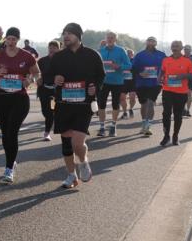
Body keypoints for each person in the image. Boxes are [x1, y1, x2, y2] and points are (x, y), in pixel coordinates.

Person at [0, 27, 40, 183]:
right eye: (9, 39)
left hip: (20, 99)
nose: (11, 42)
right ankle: (11, 160)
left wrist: (30, 80)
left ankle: (8, 169)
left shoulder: (26, 56)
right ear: (5, 39)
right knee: (5, 133)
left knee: (12, 132)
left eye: (14, 39)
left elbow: (37, 73)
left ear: (18, 40)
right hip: (2, 99)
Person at [50, 22, 105, 189]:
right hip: (63, 104)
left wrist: (96, 87)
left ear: (79, 36)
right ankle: (71, 176)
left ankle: (83, 161)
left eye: (70, 33)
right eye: (64, 33)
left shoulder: (92, 55)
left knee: (77, 142)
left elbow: (101, 76)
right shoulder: (59, 57)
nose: (66, 36)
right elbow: (49, 75)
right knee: (67, 143)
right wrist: (55, 78)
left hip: (84, 104)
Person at [159, 40, 192, 147]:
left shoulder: (187, 61)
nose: (174, 48)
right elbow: (162, 71)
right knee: (166, 113)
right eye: (173, 46)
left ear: (181, 48)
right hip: (167, 90)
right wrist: (159, 77)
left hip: (181, 92)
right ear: (171, 48)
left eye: (177, 46)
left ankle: (175, 136)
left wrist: (183, 76)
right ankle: (166, 136)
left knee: (178, 115)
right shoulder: (166, 60)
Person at [97, 32, 130, 137]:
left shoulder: (121, 50)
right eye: (108, 38)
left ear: (115, 39)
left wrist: (119, 66)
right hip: (103, 82)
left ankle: (113, 126)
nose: (110, 39)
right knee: (101, 104)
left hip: (117, 82)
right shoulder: (101, 51)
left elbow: (129, 65)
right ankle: (102, 127)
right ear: (105, 39)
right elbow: (95, 65)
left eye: (112, 38)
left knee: (115, 104)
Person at [132, 36, 166, 137]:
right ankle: (144, 123)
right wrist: (140, 73)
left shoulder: (161, 55)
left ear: (156, 43)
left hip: (155, 83)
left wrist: (163, 77)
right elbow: (133, 68)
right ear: (146, 43)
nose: (151, 43)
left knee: (150, 102)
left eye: (153, 41)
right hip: (141, 83)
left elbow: (167, 67)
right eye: (149, 41)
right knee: (143, 104)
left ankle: (148, 126)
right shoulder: (139, 55)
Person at [36, 40, 60, 140]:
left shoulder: (62, 61)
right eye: (50, 47)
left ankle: (46, 133)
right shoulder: (42, 61)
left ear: (58, 49)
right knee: (45, 111)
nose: (52, 49)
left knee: (51, 111)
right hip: (43, 89)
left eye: (54, 48)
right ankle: (51, 120)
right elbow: (36, 73)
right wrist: (37, 79)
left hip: (55, 91)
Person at [119, 48, 137, 119]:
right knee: (122, 98)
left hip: (132, 82)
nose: (129, 55)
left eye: (130, 54)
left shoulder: (135, 61)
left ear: (133, 55)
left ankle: (130, 109)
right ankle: (124, 112)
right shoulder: (121, 61)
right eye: (127, 54)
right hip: (123, 82)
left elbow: (138, 69)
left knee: (132, 98)